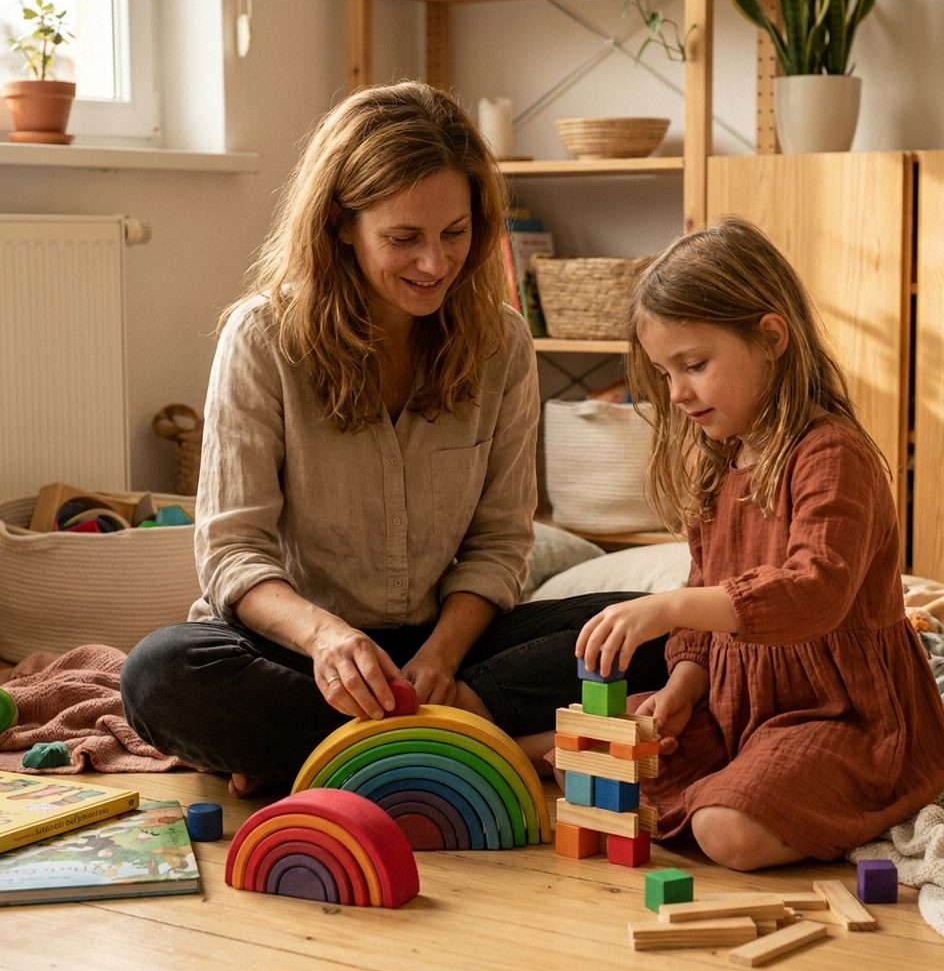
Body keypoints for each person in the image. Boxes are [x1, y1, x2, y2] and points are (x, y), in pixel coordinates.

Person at [121, 80, 666, 797]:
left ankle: (357, 753)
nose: (435, 264)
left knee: (665, 634)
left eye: (455, 233)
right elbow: (231, 552)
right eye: (403, 238)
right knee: (158, 676)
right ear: (342, 225)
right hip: (298, 649)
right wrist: (327, 640)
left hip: (451, 650)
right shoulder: (261, 338)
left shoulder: (499, 341)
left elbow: (501, 541)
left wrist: (442, 656)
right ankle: (468, 749)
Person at [574, 217, 944, 871]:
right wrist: (684, 689)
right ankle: (736, 784)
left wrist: (666, 609)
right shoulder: (719, 459)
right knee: (606, 755)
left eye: (694, 365)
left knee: (728, 831)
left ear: (771, 338)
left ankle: (796, 797)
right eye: (666, 373)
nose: (678, 392)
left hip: (844, 718)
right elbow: (703, 598)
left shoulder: (832, 453)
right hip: (736, 708)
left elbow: (817, 592)